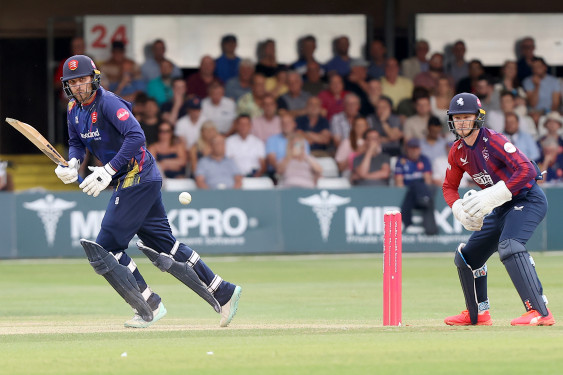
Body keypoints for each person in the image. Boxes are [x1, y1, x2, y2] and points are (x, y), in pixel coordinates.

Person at [55, 55, 241, 329]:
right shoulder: (73, 109)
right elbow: (76, 143)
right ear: (67, 86)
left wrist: (107, 170)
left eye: (83, 80)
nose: (79, 87)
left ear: (93, 79)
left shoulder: (108, 102)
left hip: (137, 175)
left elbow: (136, 136)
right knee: (164, 244)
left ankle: (148, 303)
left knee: (106, 246)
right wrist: (72, 162)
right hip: (136, 178)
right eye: (74, 82)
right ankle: (223, 290)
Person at [442, 92, 554, 326]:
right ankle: (478, 314)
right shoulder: (457, 151)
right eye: (457, 117)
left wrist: (493, 195)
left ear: (477, 118)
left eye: (466, 117)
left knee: (510, 245)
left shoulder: (493, 141)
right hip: (500, 207)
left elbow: (527, 170)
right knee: (466, 257)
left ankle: (540, 312)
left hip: (527, 198)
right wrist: (459, 210)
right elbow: (449, 187)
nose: (462, 122)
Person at [394, 138, 438, 235]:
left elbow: (428, 180)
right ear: (407, 149)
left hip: (421, 192)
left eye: (416, 148)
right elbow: (399, 182)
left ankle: (407, 222)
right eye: (411, 148)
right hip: (409, 191)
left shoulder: (424, 160)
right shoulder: (401, 161)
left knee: (418, 184)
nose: (414, 151)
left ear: (420, 149)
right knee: (414, 185)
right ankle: (424, 200)